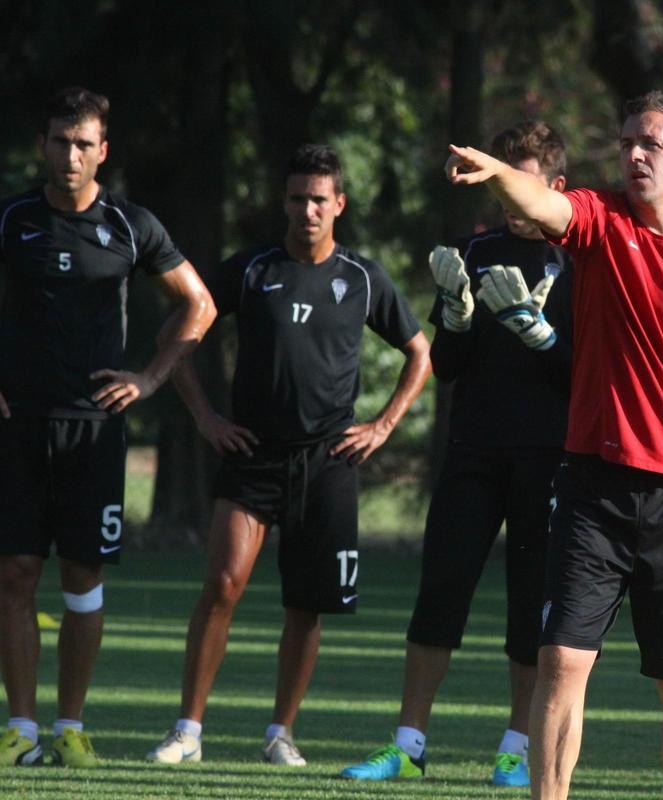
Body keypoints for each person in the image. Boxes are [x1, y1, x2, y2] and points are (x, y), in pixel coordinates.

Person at [446, 90, 663, 800]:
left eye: (651, 145)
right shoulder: (601, 221)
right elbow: (547, 205)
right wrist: (495, 170)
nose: (634, 155)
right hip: (592, 490)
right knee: (562, 665)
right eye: (627, 142)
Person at [146, 144, 431, 766]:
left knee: (307, 604)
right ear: (285, 201)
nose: (308, 209)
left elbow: (420, 354)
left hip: (328, 461)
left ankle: (281, 733)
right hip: (252, 453)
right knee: (222, 584)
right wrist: (205, 417)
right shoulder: (248, 270)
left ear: (339, 205)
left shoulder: (362, 278)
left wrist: (381, 426)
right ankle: (187, 731)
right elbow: (178, 334)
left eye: (319, 199)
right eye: (298, 198)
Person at [339, 121, 573, 788]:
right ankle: (408, 744)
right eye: (499, 181)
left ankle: (515, 750)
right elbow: (445, 366)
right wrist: (460, 318)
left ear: (555, 188)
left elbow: (590, 375)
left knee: (532, 609)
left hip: (547, 458)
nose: (508, 197)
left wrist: (542, 336)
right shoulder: (474, 251)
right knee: (440, 591)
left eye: (519, 181)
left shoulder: (582, 259)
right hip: (474, 450)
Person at [0, 87, 215, 768]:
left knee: (83, 580)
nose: (70, 154)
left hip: (94, 432)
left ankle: (70, 727)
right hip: (20, 425)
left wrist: (150, 378)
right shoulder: (12, 221)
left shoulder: (130, 225)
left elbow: (200, 305)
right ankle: (22, 730)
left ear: (103, 151)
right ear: (44, 145)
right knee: (14, 574)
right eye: (60, 140)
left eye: (83, 143)